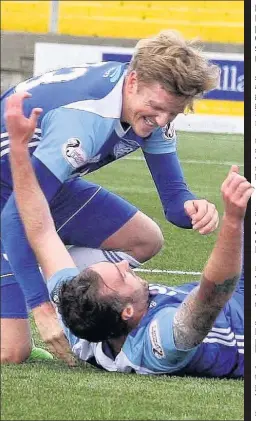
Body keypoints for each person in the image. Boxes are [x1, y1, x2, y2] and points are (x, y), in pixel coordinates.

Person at [1, 30, 220, 365]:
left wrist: (195, 209)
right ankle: (33, 282)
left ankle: (60, 286)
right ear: (132, 82)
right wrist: (42, 309)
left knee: (146, 240)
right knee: (12, 353)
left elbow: (175, 201)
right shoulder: (85, 120)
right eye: (157, 109)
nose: (162, 121)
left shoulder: (148, 102)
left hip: (47, 185)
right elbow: (16, 213)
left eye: (172, 114)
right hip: (9, 198)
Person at [6, 92, 252, 377]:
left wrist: (19, 151)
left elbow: (42, 230)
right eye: (121, 275)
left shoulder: (78, 308)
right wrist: (234, 220)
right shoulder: (160, 343)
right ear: (127, 312)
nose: (124, 264)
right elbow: (212, 295)